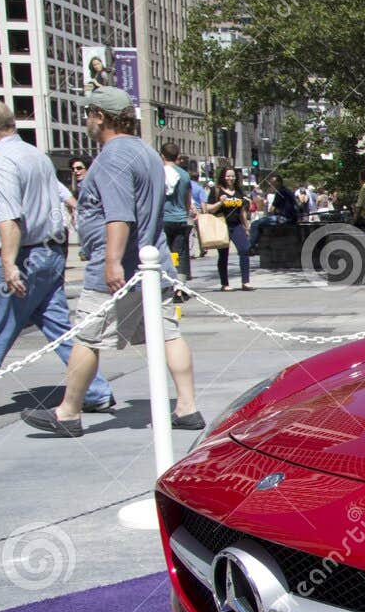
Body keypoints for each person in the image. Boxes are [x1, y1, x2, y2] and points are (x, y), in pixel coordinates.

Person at [19, 86, 200, 438]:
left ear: (100, 116)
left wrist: (112, 262)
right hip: (153, 263)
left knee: (86, 338)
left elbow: (119, 216)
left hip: (119, 268)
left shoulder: (113, 157)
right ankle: (187, 407)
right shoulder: (146, 153)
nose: (86, 120)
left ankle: (68, 412)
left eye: (89, 114)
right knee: (168, 335)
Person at [0, 100, 115, 413]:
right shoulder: (35, 155)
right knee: (59, 327)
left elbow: (9, 219)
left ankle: (95, 390)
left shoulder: (0, 163)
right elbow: (64, 199)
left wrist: (8, 265)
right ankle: (95, 390)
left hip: (22, 256)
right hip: (50, 252)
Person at [205, 166, 254, 291]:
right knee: (223, 255)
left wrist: (246, 228)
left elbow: (242, 212)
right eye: (228, 176)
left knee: (244, 250)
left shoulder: (239, 192)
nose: (230, 178)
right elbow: (209, 209)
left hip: (236, 225)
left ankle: (245, 282)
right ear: (223, 176)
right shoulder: (216, 190)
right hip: (222, 225)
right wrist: (220, 202)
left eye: (232, 176)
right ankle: (225, 283)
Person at [159, 142, 197, 281]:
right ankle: (179, 287)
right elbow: (188, 199)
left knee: (163, 252)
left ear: (162, 155)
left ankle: (166, 282)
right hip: (180, 218)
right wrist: (185, 214)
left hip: (163, 219)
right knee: (180, 253)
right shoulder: (185, 175)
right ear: (177, 156)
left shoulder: (159, 172)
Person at [250, 174, 300, 241]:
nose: (271, 184)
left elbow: (271, 209)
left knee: (254, 224)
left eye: (273, 182)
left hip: (282, 218)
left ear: (278, 182)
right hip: (292, 218)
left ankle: (253, 246)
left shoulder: (280, 192)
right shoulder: (288, 191)